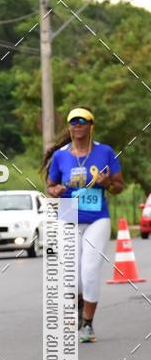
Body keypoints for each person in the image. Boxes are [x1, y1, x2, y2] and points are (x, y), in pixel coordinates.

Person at [43, 107, 124, 342]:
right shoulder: (61, 156)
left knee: (89, 271)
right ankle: (78, 306)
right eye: (73, 122)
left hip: (97, 216)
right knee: (71, 275)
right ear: (69, 127)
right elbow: (51, 186)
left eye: (82, 121)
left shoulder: (105, 152)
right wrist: (55, 191)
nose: (77, 125)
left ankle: (87, 324)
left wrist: (107, 183)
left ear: (91, 126)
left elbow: (119, 186)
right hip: (68, 215)